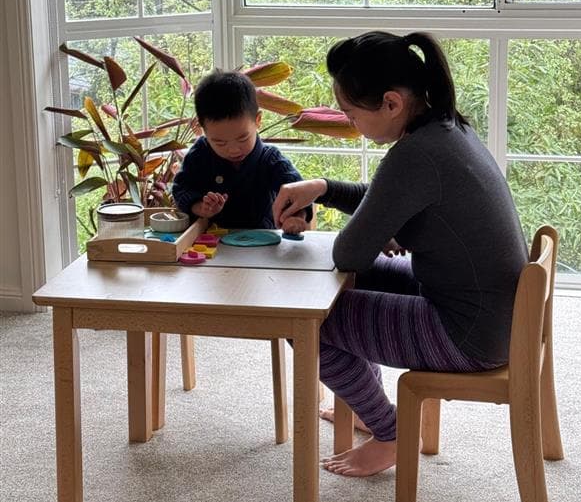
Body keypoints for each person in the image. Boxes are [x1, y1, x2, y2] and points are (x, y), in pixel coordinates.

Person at [272, 31, 528, 477]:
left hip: (467, 334)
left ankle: (390, 432)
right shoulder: (448, 128)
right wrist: (325, 189)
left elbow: (348, 253)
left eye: (352, 114)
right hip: (495, 314)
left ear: (391, 103)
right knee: (349, 287)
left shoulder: (414, 157)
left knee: (304, 321)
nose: (351, 124)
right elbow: (391, 200)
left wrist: (374, 228)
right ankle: (362, 398)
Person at [172, 70, 311, 234]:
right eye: (219, 142)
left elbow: (297, 192)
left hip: (262, 244)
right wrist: (199, 207)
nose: (233, 149)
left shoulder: (270, 159)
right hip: (211, 246)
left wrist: (295, 217)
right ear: (202, 129)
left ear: (258, 120)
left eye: (243, 138)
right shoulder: (200, 154)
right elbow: (181, 188)